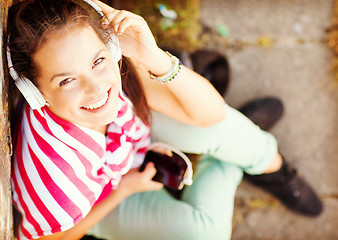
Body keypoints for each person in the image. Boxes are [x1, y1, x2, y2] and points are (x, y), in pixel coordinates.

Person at [7, 0, 322, 240]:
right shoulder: (58, 183)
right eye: (66, 81)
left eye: (99, 60)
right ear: (36, 94)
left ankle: (272, 168)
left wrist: (152, 56)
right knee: (206, 233)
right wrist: (124, 190)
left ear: (111, 48)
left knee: (217, 123)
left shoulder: (115, 75)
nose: (96, 88)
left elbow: (212, 114)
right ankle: (233, 158)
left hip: (131, 139)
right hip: (102, 197)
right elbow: (53, 237)